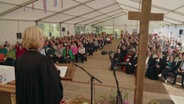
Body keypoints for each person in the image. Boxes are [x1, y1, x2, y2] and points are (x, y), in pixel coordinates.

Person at [15, 26, 63, 104]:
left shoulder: (19, 60)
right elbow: (53, 89)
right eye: (43, 38)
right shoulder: (43, 61)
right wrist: (56, 72)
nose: (44, 40)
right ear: (39, 39)